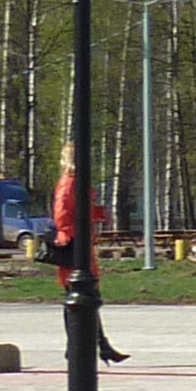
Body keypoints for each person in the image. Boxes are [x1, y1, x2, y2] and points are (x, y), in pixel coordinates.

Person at [55, 138, 126, 363]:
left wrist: (98, 214)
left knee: (87, 297)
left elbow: (79, 211)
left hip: (80, 244)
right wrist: (74, 237)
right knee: (79, 296)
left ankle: (96, 346)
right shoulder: (69, 184)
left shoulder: (75, 183)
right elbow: (62, 215)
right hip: (74, 246)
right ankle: (86, 346)